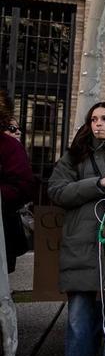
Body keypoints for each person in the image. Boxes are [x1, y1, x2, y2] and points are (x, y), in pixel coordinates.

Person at [47, 102, 105, 356]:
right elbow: (57, 192)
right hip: (82, 240)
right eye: (93, 119)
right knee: (80, 305)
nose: (98, 124)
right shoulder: (74, 157)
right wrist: (99, 183)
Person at [1, 89, 36, 273]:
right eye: (12, 129)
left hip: (5, 224)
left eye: (17, 129)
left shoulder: (11, 148)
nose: (18, 132)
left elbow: (23, 186)